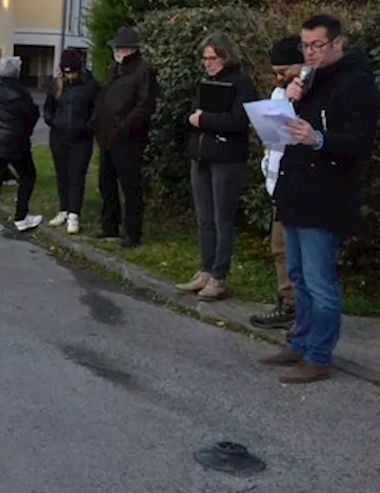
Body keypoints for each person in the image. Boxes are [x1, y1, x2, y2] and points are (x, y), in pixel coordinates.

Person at [261, 14, 380, 385]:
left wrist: (321, 140)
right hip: (295, 188)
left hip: (326, 195)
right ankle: (300, 341)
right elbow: (289, 134)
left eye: (316, 46)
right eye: (305, 46)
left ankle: (318, 355)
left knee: (318, 280)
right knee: (296, 275)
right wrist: (288, 106)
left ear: (338, 45)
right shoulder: (307, 81)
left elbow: (360, 143)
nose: (309, 53)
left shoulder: (356, 84)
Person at [175, 33, 258, 301]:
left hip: (227, 158)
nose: (208, 63)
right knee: (205, 217)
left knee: (223, 218)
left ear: (226, 56)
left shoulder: (241, 84)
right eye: (205, 58)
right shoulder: (207, 83)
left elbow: (240, 120)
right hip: (202, 154)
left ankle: (219, 276)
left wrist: (204, 120)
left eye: (212, 58)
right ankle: (205, 270)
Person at [249, 37, 305, 330]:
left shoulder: (307, 93)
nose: (279, 77)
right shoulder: (279, 92)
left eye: (285, 70)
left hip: (299, 187)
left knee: (293, 253)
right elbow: (273, 139)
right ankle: (287, 302)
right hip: (278, 184)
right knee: (279, 249)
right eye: (276, 71)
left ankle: (296, 309)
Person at [90, 27, 157, 249]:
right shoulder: (116, 70)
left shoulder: (142, 71)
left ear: (129, 49)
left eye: (120, 48)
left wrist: (125, 126)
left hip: (128, 139)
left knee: (130, 187)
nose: (117, 51)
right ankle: (110, 224)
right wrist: (96, 122)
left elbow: (144, 105)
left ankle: (132, 232)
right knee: (106, 183)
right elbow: (104, 97)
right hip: (107, 136)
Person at [0, 57, 42, 233]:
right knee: (28, 175)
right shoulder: (21, 93)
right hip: (16, 142)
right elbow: (30, 116)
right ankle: (21, 216)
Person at [43, 48, 100, 234]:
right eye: (66, 72)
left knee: (77, 175)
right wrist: (52, 121)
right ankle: (64, 209)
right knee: (62, 175)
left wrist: (86, 127)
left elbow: (96, 112)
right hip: (59, 136)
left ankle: (74, 213)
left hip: (81, 139)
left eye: (72, 72)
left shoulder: (90, 86)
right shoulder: (56, 84)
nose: (70, 76)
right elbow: (48, 108)